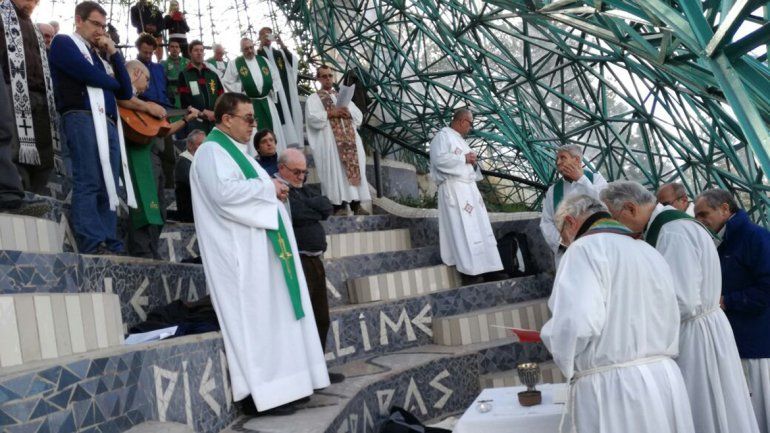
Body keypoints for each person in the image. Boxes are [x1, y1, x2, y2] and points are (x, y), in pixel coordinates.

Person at [191, 92, 329, 414]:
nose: (254, 125)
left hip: (260, 252)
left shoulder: (238, 154)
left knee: (273, 322)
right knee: (254, 325)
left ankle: (286, 387)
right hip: (240, 256)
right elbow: (223, 194)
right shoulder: (212, 152)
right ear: (227, 119)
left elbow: (248, 189)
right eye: (249, 118)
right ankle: (261, 398)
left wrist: (272, 187)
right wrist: (269, 187)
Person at [601, 181, 758, 433]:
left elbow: (682, 300)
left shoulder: (672, 230)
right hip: (700, 328)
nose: (614, 226)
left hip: (695, 334)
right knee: (717, 407)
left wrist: (637, 317)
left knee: (703, 407)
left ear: (630, 208)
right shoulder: (669, 226)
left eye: (613, 217)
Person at [542, 193, 694, 433]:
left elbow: (577, 324)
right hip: (664, 381)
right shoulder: (648, 251)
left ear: (570, 222)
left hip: (616, 390)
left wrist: (554, 339)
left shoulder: (583, 249)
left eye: (563, 235)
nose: (566, 243)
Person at [49, 1, 136, 254]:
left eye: (103, 26)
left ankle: (109, 239)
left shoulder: (101, 55)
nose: (100, 31)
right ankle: (92, 240)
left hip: (108, 121)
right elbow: (88, 75)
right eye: (95, 24)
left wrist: (115, 54)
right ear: (79, 20)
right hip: (81, 116)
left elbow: (127, 90)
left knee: (109, 182)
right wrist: (113, 82)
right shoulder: (64, 42)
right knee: (88, 177)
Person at [695, 189, 770, 433]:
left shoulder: (754, 237)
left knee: (762, 409)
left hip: (758, 346)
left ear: (725, 209)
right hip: (745, 341)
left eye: (703, 213)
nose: (699, 220)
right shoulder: (729, 240)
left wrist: (726, 301)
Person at [276, 148, 344, 383]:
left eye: (304, 172)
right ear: (282, 169)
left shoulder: (303, 189)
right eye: (296, 172)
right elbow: (295, 213)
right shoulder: (278, 189)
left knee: (321, 317)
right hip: (297, 262)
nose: (301, 177)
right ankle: (302, 373)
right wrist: (312, 209)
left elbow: (326, 207)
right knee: (302, 319)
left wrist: (313, 208)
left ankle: (318, 370)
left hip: (315, 260)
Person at [119, 60, 199, 258]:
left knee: (159, 210)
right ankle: (142, 249)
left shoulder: (142, 103)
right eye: (146, 79)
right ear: (136, 73)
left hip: (153, 156)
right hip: (139, 156)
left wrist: (185, 119)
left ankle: (152, 249)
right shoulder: (127, 97)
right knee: (144, 205)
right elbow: (122, 99)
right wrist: (148, 107)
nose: (147, 85)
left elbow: (162, 131)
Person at [428, 108, 503, 277]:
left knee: (479, 228)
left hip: (468, 190)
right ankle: (469, 271)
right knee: (462, 229)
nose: (470, 128)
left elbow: (470, 167)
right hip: (454, 190)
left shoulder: (461, 141)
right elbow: (439, 160)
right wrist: (463, 159)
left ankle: (487, 267)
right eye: (470, 124)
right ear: (462, 121)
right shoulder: (442, 137)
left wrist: (473, 163)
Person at [1, 0, 61, 194]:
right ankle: (18, 191)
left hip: (40, 98)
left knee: (44, 154)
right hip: (13, 92)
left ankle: (37, 195)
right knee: (17, 152)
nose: (34, 3)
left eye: (36, 1)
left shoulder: (33, 28)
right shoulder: (3, 14)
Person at [306, 65, 371, 215]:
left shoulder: (342, 96)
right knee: (336, 173)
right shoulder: (314, 98)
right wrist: (331, 113)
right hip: (331, 143)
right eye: (324, 76)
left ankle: (356, 205)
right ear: (318, 78)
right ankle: (338, 206)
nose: (327, 79)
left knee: (354, 171)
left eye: (330, 75)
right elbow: (312, 118)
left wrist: (348, 112)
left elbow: (358, 117)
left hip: (350, 141)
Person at [539, 144, 607, 263]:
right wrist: (562, 242)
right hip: (567, 254)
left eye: (563, 157)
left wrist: (581, 179)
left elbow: (606, 205)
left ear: (576, 160)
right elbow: (546, 221)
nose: (558, 162)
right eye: (557, 159)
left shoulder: (596, 179)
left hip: (596, 249)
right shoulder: (553, 191)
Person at [222, 37, 287, 152]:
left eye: (251, 47)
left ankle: (276, 155)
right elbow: (227, 81)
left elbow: (275, 76)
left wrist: (271, 86)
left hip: (267, 102)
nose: (250, 51)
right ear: (242, 50)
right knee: (253, 134)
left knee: (273, 131)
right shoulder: (236, 63)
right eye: (246, 49)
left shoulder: (263, 60)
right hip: (250, 104)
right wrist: (241, 87)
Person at [258, 27, 302, 147]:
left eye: (268, 35)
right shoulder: (258, 54)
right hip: (271, 92)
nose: (267, 37)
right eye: (263, 35)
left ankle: (291, 140)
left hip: (284, 89)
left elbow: (293, 62)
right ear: (260, 38)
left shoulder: (279, 53)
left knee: (287, 113)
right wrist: (261, 46)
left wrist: (281, 44)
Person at [177, 40, 223, 134]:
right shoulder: (184, 75)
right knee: (198, 147)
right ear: (190, 53)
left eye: (201, 50)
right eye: (196, 50)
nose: (199, 53)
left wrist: (216, 113)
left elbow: (221, 95)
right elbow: (185, 100)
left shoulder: (212, 74)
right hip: (195, 121)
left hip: (214, 120)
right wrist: (202, 112)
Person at [174, 129, 204, 223]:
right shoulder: (183, 162)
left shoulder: (197, 160)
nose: (203, 147)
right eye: (199, 144)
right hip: (189, 214)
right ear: (190, 145)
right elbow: (195, 186)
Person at [162, 39, 189, 120]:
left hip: (186, 96)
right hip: (172, 97)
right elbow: (164, 79)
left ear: (180, 49)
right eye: (172, 47)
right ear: (169, 49)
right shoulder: (164, 63)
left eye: (177, 47)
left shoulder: (187, 62)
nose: (175, 49)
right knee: (174, 120)